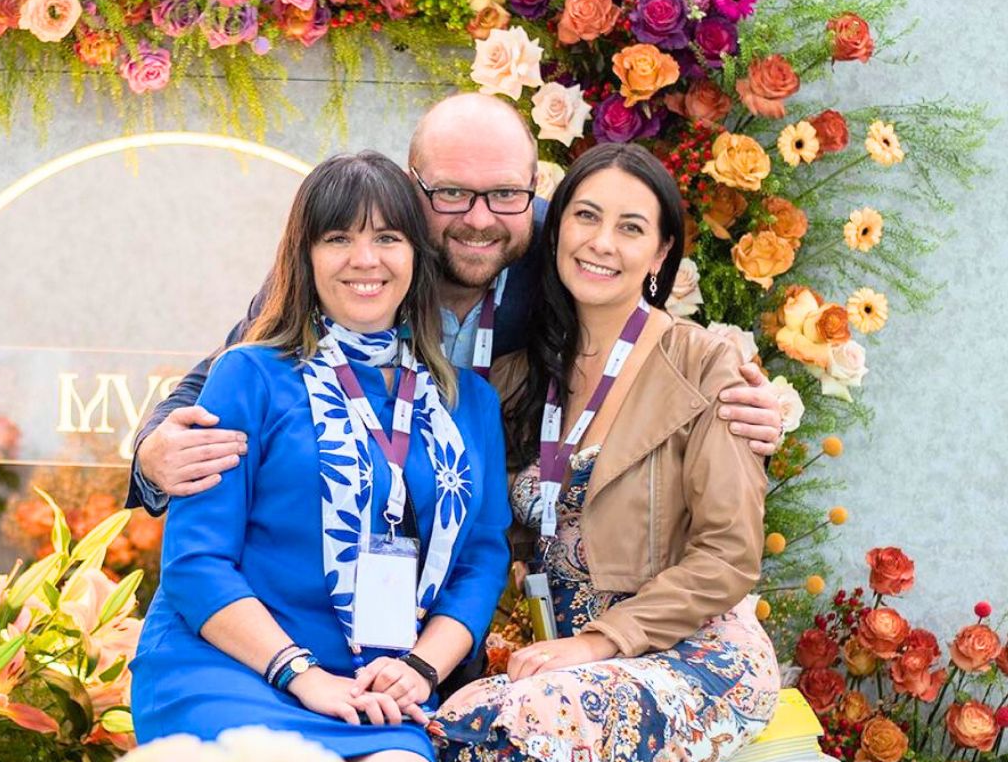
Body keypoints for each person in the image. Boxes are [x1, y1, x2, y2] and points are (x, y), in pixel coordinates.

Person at [427, 142, 781, 762]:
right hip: (569, 667)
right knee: (467, 734)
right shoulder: (524, 376)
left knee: (542, 724)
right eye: (585, 216)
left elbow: (730, 556)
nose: (602, 241)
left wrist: (599, 644)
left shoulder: (707, 364)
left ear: (661, 254)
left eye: (631, 227)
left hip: (693, 654)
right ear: (555, 234)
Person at [130, 151, 511, 762]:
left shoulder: (467, 400)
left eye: (387, 239)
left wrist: (423, 670)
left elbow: (481, 558)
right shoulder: (250, 375)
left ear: (417, 255)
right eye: (337, 238)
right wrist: (303, 676)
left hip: (372, 678)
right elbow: (198, 566)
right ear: (303, 258)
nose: (364, 260)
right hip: (236, 665)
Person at [126, 94, 783, 516]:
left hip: (496, 552)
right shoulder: (361, 262)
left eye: (503, 195)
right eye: (450, 195)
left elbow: (648, 349)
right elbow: (231, 362)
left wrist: (739, 413)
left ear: (533, 186)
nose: (478, 220)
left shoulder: (566, 250)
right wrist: (155, 453)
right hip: (350, 538)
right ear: (413, 189)